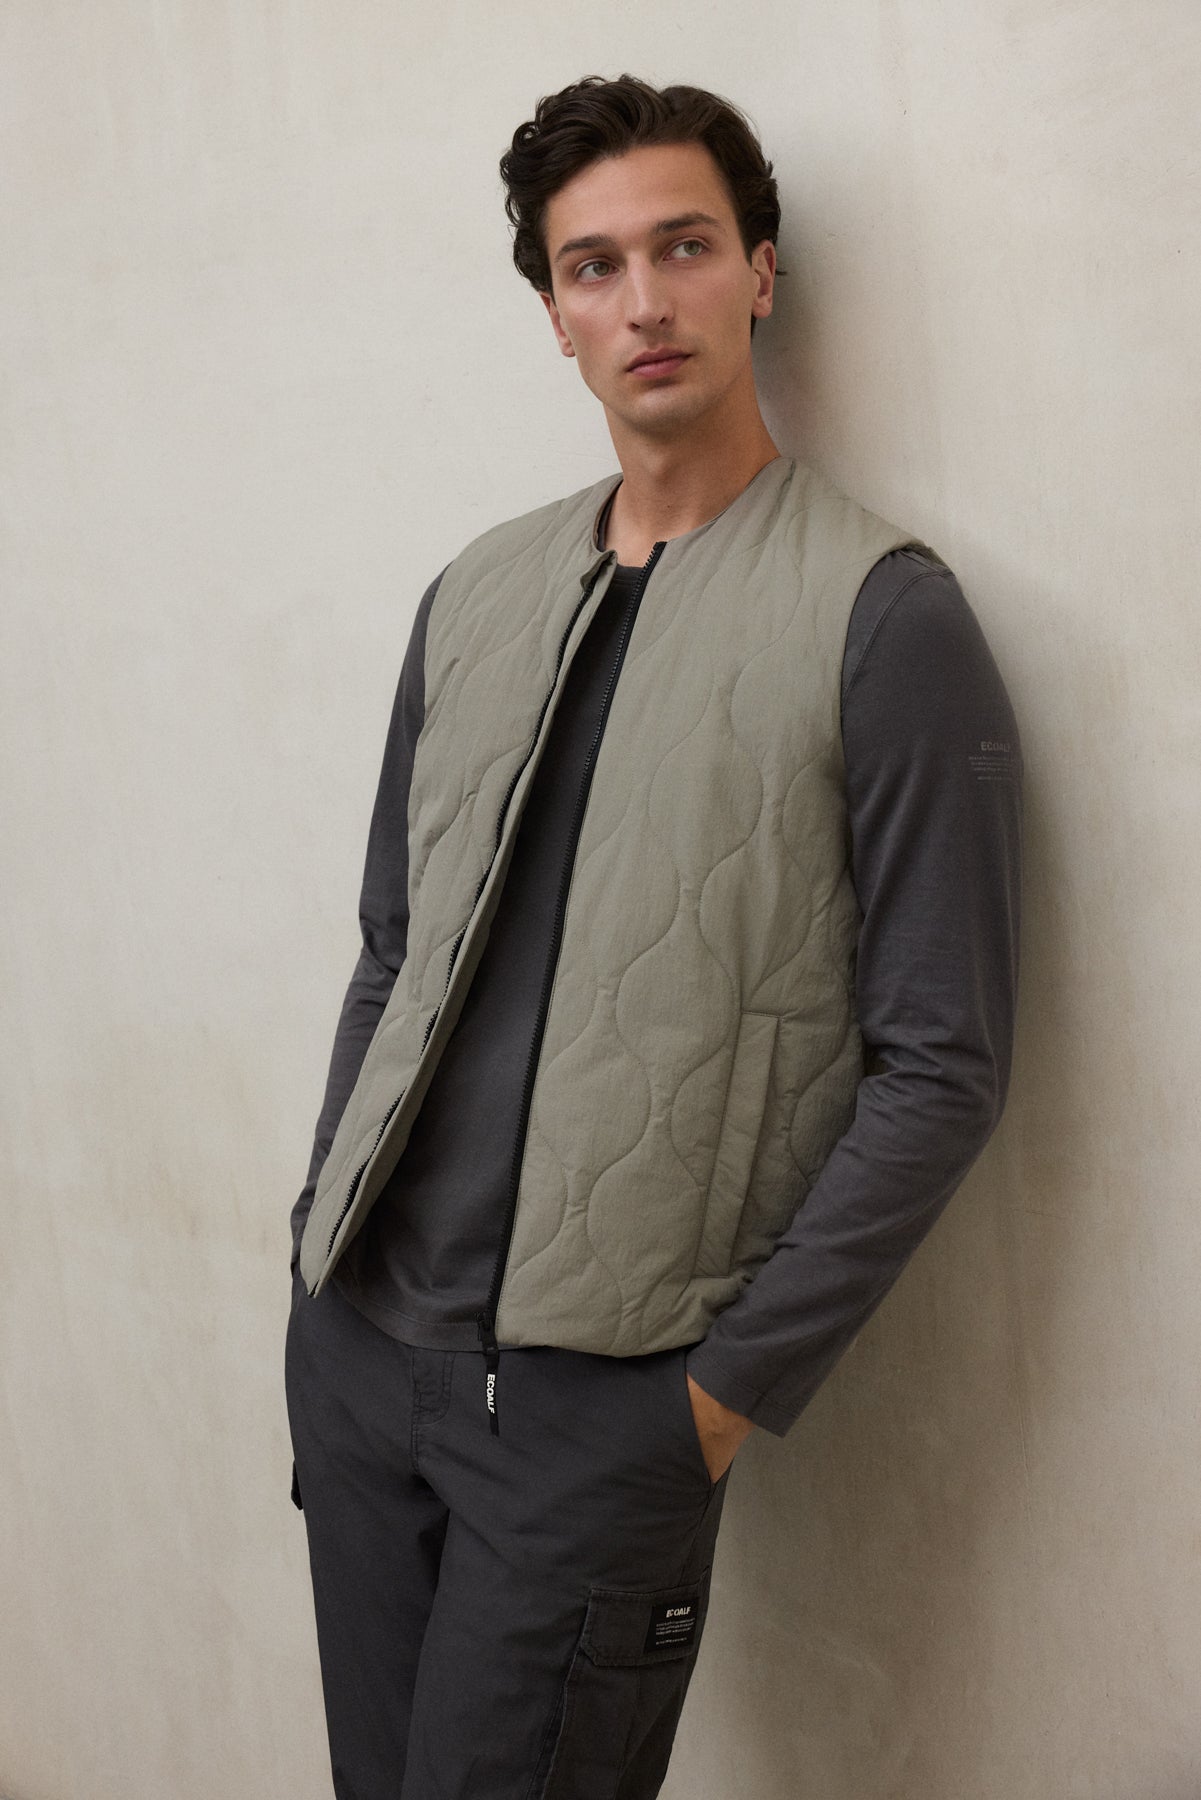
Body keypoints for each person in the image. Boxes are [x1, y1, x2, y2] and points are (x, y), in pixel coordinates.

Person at [284, 73, 1022, 1800]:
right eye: (593, 265)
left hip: (594, 1420)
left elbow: (942, 1064)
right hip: (364, 1360)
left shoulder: (884, 617)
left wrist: (710, 1401)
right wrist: (320, 1240)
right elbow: (393, 947)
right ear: (554, 314)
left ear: (757, 270)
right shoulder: (474, 594)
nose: (643, 301)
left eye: (683, 247)